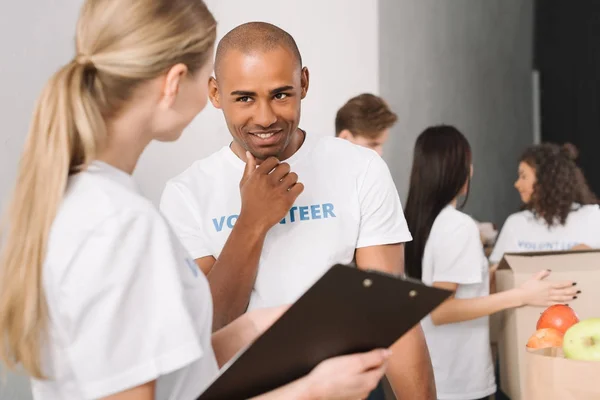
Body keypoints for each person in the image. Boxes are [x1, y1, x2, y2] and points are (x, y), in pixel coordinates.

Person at [0, 2, 392, 399]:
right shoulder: (119, 223)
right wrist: (311, 392)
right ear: (176, 82)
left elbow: (176, 376)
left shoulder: (95, 202)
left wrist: (257, 327)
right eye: (211, 76)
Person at [160, 21, 436, 399]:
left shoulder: (360, 168)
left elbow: (393, 318)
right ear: (215, 93)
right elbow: (213, 325)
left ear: (303, 83)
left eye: (281, 95)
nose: (265, 117)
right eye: (244, 98)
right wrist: (252, 222)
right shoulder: (185, 194)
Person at [403, 126, 579, 400]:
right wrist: (521, 296)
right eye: (468, 163)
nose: (471, 172)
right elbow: (442, 311)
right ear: (455, 169)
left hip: (439, 373)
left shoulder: (424, 222)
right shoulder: (457, 226)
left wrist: (489, 274)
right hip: (460, 381)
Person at [489, 142, 600, 264]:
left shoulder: (592, 217)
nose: (517, 184)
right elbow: (497, 274)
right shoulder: (516, 223)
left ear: (546, 179)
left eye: (523, 177)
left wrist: (593, 257)